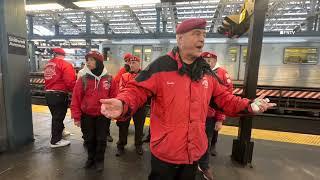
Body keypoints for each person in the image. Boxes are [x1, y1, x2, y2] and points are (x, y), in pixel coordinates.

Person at [100, 18, 276, 180]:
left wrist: (249, 106)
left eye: (204, 35)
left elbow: (224, 99)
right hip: (165, 153)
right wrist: (123, 103)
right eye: (196, 34)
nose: (202, 39)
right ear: (180, 39)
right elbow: (136, 90)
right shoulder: (161, 66)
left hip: (193, 153)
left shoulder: (205, 72)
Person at [70, 51, 117, 171]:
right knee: (89, 139)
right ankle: (90, 158)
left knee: (101, 139)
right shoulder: (83, 79)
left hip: (103, 116)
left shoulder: (110, 79)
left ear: (99, 62)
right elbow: (76, 98)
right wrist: (76, 116)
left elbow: (114, 97)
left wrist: (112, 112)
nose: (88, 62)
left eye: (91, 60)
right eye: (87, 60)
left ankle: (99, 160)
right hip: (87, 116)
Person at [197, 51, 234, 180]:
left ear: (215, 61)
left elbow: (225, 99)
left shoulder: (221, 74)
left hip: (209, 116)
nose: (208, 62)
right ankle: (191, 163)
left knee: (205, 142)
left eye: (210, 60)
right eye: (205, 60)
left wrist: (220, 119)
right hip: (194, 115)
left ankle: (204, 165)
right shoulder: (196, 71)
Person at [44, 48, 76, 148]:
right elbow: (70, 82)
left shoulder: (48, 64)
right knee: (58, 117)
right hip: (59, 94)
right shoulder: (65, 64)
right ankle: (55, 141)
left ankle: (61, 131)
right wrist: (75, 91)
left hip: (49, 93)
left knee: (55, 115)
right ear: (63, 55)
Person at [116, 55, 148, 156]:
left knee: (139, 126)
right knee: (123, 126)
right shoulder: (124, 76)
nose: (131, 65)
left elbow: (146, 90)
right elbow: (121, 90)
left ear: (139, 64)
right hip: (127, 106)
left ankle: (138, 145)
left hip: (140, 106)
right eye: (130, 63)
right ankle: (121, 145)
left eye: (134, 63)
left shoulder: (145, 76)